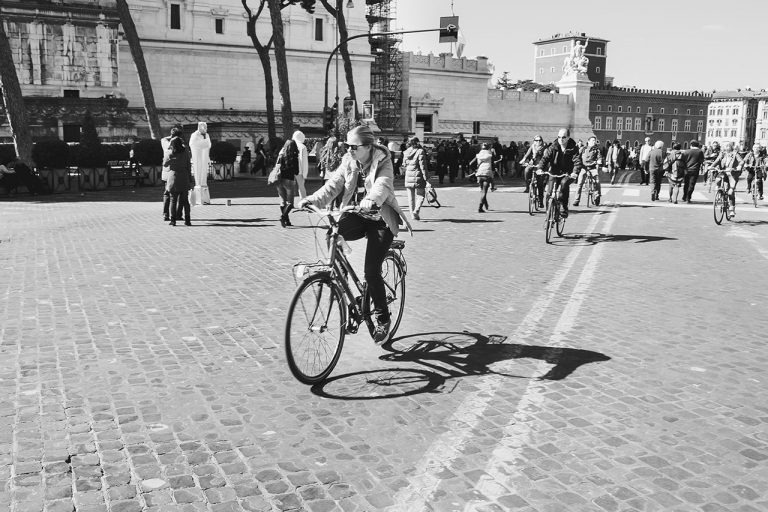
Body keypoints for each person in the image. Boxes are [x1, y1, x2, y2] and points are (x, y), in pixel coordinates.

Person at [298, 125, 411, 344]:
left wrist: (372, 200)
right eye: (347, 146)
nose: (349, 150)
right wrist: (313, 199)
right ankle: (338, 276)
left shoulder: (383, 160)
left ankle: (383, 319)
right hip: (356, 215)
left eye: (354, 147)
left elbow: (383, 184)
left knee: (371, 271)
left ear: (368, 147)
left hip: (380, 221)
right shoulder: (348, 161)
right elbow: (333, 184)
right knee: (332, 232)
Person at [537, 128, 581, 218]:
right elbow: (545, 158)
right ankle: (548, 214)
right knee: (549, 193)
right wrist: (540, 168)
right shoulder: (553, 146)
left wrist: (575, 172)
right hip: (554, 171)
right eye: (559, 137)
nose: (561, 139)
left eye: (564, 137)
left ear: (568, 137)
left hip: (567, 173)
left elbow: (577, 161)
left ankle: (564, 208)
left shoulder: (573, 148)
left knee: (564, 184)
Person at [163, 135, 193, 226]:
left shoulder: (170, 153)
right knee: (185, 201)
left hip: (173, 177)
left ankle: (173, 220)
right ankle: (187, 220)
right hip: (184, 177)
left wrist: (171, 160)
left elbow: (164, 164)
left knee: (173, 200)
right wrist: (190, 178)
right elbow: (189, 165)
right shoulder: (185, 152)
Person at [275, 137, 300, 227]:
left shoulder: (281, 155)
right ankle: (283, 217)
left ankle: (287, 221)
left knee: (282, 201)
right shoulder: (294, 157)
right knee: (290, 203)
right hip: (289, 180)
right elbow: (296, 171)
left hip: (279, 180)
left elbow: (276, 166)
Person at [712, 142, 743, 215]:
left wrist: (739, 166)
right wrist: (712, 166)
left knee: (730, 192)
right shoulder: (722, 154)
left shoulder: (735, 154)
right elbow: (717, 160)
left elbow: (741, 161)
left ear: (731, 147)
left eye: (728, 146)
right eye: (725, 146)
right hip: (723, 172)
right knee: (718, 180)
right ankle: (719, 193)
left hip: (732, 174)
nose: (727, 147)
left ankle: (732, 209)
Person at [402, 136, 428, 220]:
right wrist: (426, 177)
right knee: (420, 195)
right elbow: (423, 166)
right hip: (418, 176)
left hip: (408, 177)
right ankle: (416, 210)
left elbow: (404, 165)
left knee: (410, 198)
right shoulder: (420, 151)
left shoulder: (406, 152)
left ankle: (412, 215)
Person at [573, 135, 603, 206]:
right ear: (588, 141)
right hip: (584, 168)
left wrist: (599, 161)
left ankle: (597, 195)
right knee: (580, 183)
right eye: (592, 140)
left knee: (597, 182)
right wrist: (578, 163)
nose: (594, 142)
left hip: (592, 168)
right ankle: (576, 200)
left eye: (594, 141)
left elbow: (599, 157)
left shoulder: (596, 149)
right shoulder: (583, 149)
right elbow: (577, 157)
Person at [520, 135, 546, 207]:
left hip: (540, 165)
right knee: (526, 170)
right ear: (534, 141)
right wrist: (523, 160)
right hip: (532, 163)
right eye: (536, 140)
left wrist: (542, 165)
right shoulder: (532, 147)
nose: (538, 142)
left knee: (540, 184)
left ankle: (541, 201)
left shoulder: (544, 147)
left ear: (542, 141)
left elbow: (545, 157)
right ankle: (528, 186)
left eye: (539, 140)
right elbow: (527, 155)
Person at [189, 121, 211, 205]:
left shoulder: (207, 135)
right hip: (197, 155)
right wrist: (202, 144)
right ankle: (198, 185)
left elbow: (209, 144)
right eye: (204, 128)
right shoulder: (194, 135)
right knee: (198, 170)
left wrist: (205, 144)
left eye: (206, 128)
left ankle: (203, 185)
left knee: (204, 172)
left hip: (204, 155)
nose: (205, 129)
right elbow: (192, 144)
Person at [469, 142, 495, 212]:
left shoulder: (478, 155)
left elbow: (470, 163)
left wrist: (475, 170)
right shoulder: (490, 155)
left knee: (482, 191)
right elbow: (493, 164)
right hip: (487, 174)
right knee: (484, 192)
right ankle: (480, 207)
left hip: (479, 174)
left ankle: (486, 204)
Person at [160, 129, 178, 221]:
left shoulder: (164, 142)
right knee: (175, 194)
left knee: (167, 193)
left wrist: (171, 137)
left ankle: (166, 214)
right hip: (174, 172)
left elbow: (163, 138)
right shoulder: (175, 145)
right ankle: (176, 214)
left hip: (167, 172)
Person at [291, 130, 309, 199]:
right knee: (301, 186)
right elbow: (304, 162)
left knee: (290, 187)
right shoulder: (302, 147)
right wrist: (305, 174)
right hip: (299, 170)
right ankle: (303, 201)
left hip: (289, 169)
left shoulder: (288, 144)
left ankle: (289, 202)